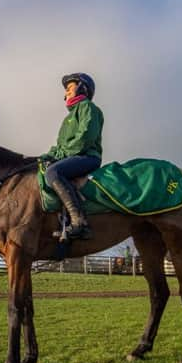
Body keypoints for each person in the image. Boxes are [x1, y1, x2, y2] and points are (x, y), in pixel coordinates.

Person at [40, 73, 104, 239]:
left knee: (53, 172)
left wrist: (61, 156)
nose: (66, 92)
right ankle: (65, 221)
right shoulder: (67, 119)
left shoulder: (88, 107)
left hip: (88, 156)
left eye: (69, 88)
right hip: (73, 155)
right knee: (46, 170)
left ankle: (79, 221)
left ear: (83, 88)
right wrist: (46, 156)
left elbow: (85, 136)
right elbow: (60, 147)